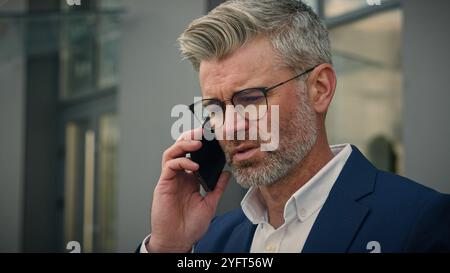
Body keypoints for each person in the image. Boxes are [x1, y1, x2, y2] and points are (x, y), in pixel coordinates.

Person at [139, 0, 450, 253]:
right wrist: (168, 247)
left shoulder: (419, 222)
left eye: (250, 98)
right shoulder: (210, 240)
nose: (230, 127)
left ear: (319, 89)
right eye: (215, 108)